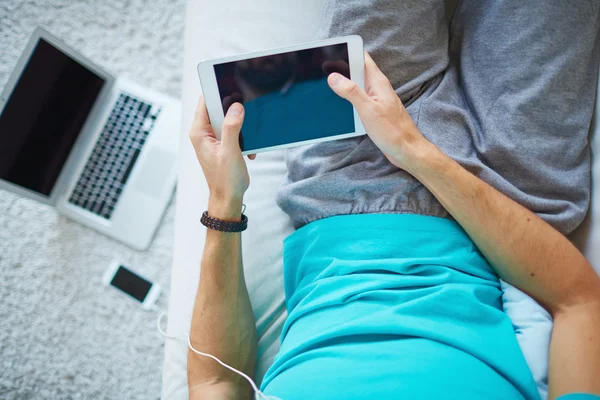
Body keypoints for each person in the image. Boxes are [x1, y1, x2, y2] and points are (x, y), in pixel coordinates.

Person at [186, 1, 600, 399]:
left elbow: (215, 383)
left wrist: (224, 199)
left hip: (342, 180)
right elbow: (579, 301)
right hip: (512, 205)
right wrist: (411, 150)